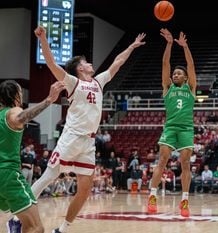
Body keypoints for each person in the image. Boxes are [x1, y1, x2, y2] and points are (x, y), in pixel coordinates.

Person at [29, 25, 146, 233]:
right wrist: (43, 39)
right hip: (72, 137)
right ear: (80, 68)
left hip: (88, 142)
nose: (90, 64)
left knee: (84, 191)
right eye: (86, 62)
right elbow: (51, 63)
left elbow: (117, 63)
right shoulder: (73, 82)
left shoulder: (98, 82)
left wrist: (132, 46)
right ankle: (18, 217)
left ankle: (62, 229)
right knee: (49, 176)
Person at [0, 80, 65, 233]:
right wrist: (48, 100)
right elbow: (19, 117)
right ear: (15, 96)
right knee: (36, 228)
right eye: (20, 93)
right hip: (9, 174)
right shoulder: (13, 111)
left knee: (22, 222)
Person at [147, 28, 197, 218]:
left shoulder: (191, 88)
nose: (175, 75)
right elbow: (165, 63)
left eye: (178, 73)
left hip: (186, 129)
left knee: (185, 162)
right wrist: (168, 44)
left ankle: (184, 200)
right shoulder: (167, 87)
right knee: (163, 159)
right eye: (174, 73)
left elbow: (191, 66)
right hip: (170, 127)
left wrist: (185, 47)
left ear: (184, 78)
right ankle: (152, 195)